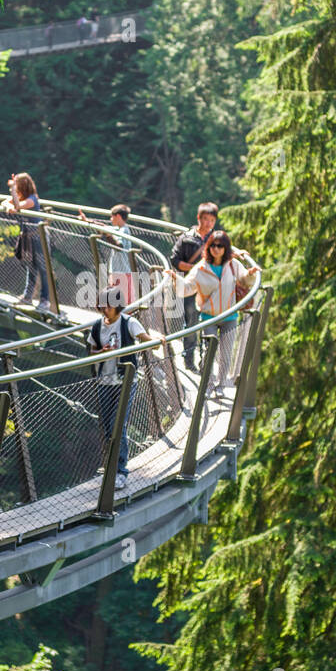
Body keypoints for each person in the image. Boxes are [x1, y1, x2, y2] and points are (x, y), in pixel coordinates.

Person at [87, 286, 165, 490]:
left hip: (125, 381)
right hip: (104, 382)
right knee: (107, 428)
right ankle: (111, 467)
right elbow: (91, 351)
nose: (106, 309)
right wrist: (102, 352)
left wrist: (158, 341)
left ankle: (120, 472)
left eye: (110, 305)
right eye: (103, 304)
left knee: (117, 425)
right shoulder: (97, 326)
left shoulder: (129, 322)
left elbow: (149, 343)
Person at [169, 229, 260, 395]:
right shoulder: (201, 267)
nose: (216, 249)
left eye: (220, 246)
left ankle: (220, 386)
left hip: (230, 315)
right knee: (209, 352)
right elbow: (188, 288)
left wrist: (251, 274)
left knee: (225, 354)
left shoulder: (233, 264)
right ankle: (209, 384)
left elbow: (244, 281)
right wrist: (176, 279)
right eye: (213, 246)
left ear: (226, 248)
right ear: (209, 247)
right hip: (209, 316)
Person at [168, 203, 221, 370]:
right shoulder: (187, 238)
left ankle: (205, 361)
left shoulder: (217, 241)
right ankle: (189, 359)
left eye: (212, 220)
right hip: (191, 286)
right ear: (199, 218)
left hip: (211, 289)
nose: (208, 224)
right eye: (205, 219)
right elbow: (175, 260)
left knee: (208, 323)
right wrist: (196, 269)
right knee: (191, 322)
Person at [6, 172, 49, 311]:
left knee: (42, 268)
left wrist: (13, 194)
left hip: (38, 236)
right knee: (30, 268)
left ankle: (45, 300)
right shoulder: (22, 197)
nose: (15, 187)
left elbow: (18, 206)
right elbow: (5, 202)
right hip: (28, 237)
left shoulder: (32, 199)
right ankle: (27, 297)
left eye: (17, 184)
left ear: (22, 185)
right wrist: (9, 205)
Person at [78, 204, 136, 304]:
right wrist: (86, 220)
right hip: (117, 272)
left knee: (122, 302)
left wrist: (108, 235)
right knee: (116, 301)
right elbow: (104, 226)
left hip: (122, 273)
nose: (110, 219)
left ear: (118, 216)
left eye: (112, 216)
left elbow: (119, 246)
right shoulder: (118, 229)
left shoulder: (124, 231)